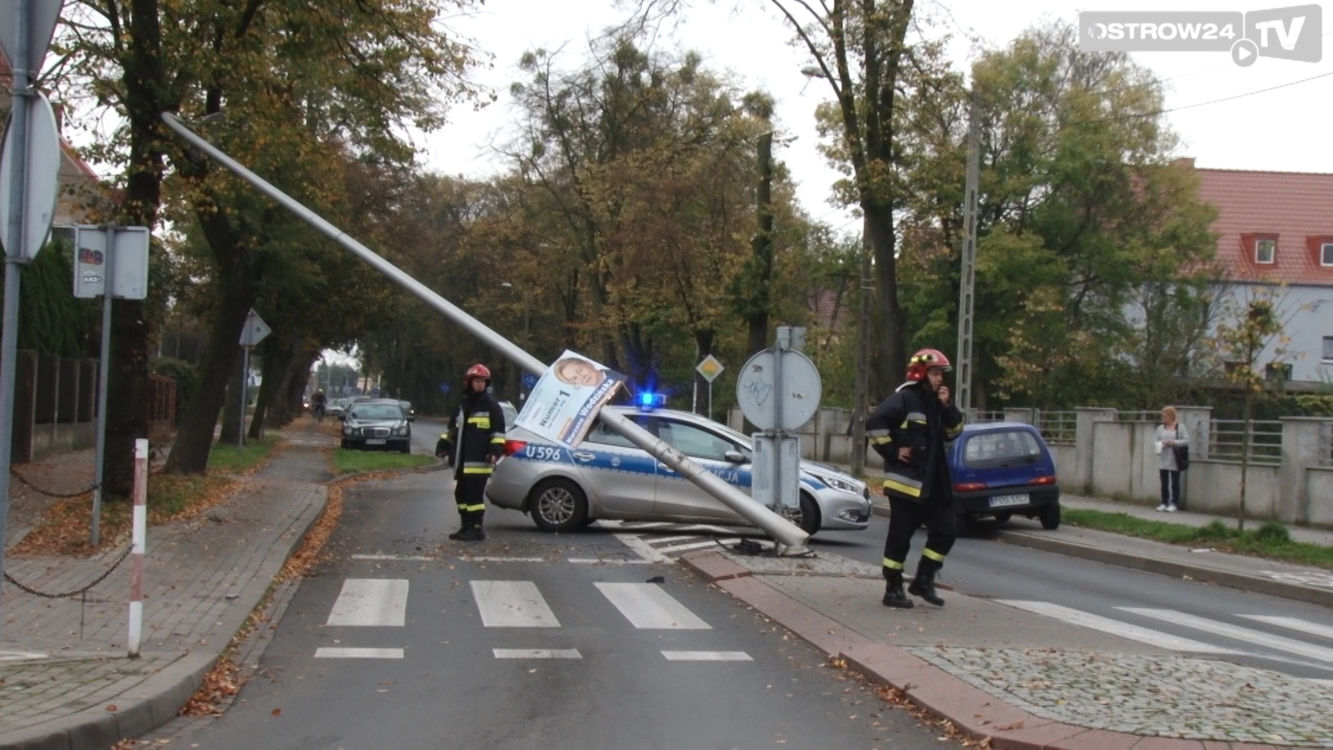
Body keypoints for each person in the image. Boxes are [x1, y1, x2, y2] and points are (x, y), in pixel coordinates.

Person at [866, 348, 965, 609]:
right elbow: (875, 423)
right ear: (921, 373)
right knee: (900, 538)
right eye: (935, 373)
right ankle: (893, 587)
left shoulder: (937, 403)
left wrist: (949, 407)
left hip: (934, 484)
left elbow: (954, 431)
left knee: (946, 531)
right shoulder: (905, 399)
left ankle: (924, 579)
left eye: (941, 374)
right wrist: (893, 451)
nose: (940, 379)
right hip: (906, 484)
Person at [439, 363, 507, 541]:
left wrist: (495, 451)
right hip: (461, 461)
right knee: (460, 494)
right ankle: (465, 526)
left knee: (474, 498)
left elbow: (498, 433)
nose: (480, 385)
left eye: (483, 381)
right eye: (476, 381)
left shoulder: (491, 406)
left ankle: (476, 529)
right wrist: (444, 445)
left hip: (479, 463)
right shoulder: (462, 404)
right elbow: (452, 429)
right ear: (469, 382)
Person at [1155, 406, 1189, 512]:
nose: (1163, 418)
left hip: (1175, 457)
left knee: (1175, 482)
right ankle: (1164, 502)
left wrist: (1174, 442)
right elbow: (1156, 440)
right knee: (1164, 482)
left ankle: (1174, 502)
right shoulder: (1160, 428)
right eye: (1162, 416)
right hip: (1164, 457)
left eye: (1165, 416)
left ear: (1171, 416)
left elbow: (1186, 440)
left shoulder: (1180, 427)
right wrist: (1161, 444)